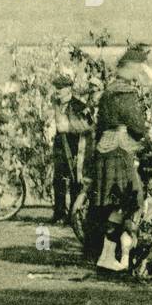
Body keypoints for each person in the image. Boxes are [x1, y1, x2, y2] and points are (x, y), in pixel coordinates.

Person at [85, 45, 152, 270]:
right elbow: (138, 126)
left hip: (105, 149)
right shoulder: (128, 94)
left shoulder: (107, 92)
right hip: (121, 151)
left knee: (111, 205)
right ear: (132, 69)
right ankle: (111, 256)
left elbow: (100, 125)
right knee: (129, 200)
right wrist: (148, 137)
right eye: (139, 69)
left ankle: (107, 255)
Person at [50, 75, 90, 224]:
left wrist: (70, 128)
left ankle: (73, 216)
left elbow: (88, 125)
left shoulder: (80, 105)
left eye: (60, 88)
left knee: (75, 181)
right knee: (58, 180)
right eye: (56, 88)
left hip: (75, 147)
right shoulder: (56, 105)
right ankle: (59, 213)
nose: (57, 91)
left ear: (68, 89)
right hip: (60, 146)